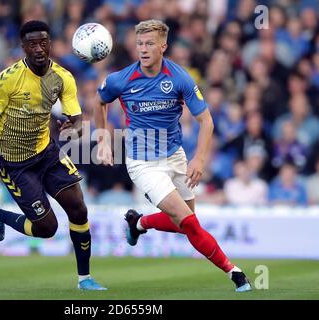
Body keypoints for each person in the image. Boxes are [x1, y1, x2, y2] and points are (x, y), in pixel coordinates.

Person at [94, 19, 251, 292]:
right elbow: (99, 101)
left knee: (185, 224)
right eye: (139, 43)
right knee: (189, 223)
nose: (143, 49)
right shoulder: (121, 79)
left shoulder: (179, 77)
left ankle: (139, 223)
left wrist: (199, 158)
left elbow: (207, 121)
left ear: (163, 46)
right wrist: (103, 139)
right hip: (143, 164)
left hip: (175, 156)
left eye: (150, 44)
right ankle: (234, 272)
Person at [0, 20, 106, 291]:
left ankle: (85, 279)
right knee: (47, 228)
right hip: (14, 164)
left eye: (43, 42)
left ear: (50, 44)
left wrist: (72, 125)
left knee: (79, 208)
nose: (39, 48)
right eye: (32, 44)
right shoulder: (8, 79)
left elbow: (76, 116)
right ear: (23, 47)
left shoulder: (62, 77)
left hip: (46, 152)